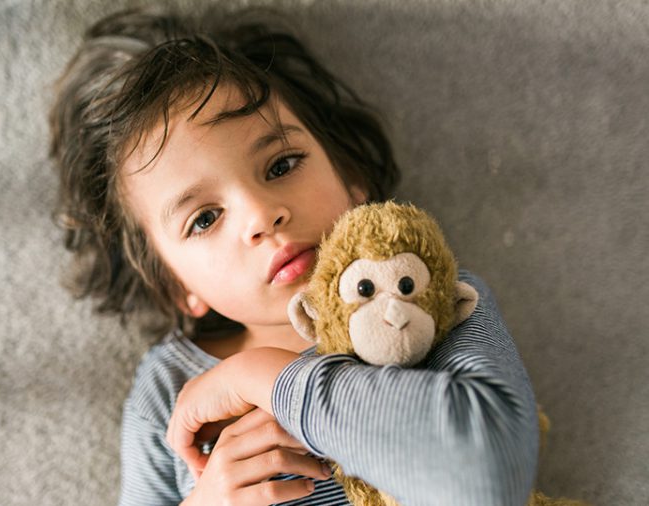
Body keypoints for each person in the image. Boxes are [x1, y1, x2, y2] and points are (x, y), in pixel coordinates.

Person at [48, 5, 539, 506]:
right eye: (204, 219)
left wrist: (265, 376)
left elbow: (492, 478)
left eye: (281, 164)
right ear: (177, 286)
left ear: (351, 179)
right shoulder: (170, 388)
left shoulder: (428, 298)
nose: (261, 215)